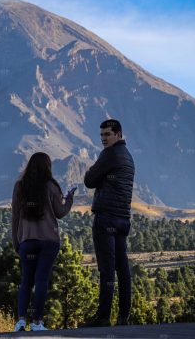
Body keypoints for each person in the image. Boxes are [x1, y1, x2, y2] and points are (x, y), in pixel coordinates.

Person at [11, 152, 76, 332]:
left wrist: (16, 241)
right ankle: (37, 322)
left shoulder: (19, 186)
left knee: (26, 281)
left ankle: (21, 321)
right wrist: (69, 199)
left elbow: (15, 216)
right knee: (41, 280)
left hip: (26, 241)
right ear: (48, 166)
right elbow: (60, 212)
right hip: (49, 241)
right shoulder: (51, 185)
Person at [83, 119, 135, 327]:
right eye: (102, 135)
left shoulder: (110, 154)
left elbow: (89, 180)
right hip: (123, 218)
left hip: (106, 218)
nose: (104, 138)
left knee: (107, 269)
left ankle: (103, 317)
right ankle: (124, 316)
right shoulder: (128, 157)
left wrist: (95, 173)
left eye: (108, 134)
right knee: (122, 268)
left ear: (118, 135)